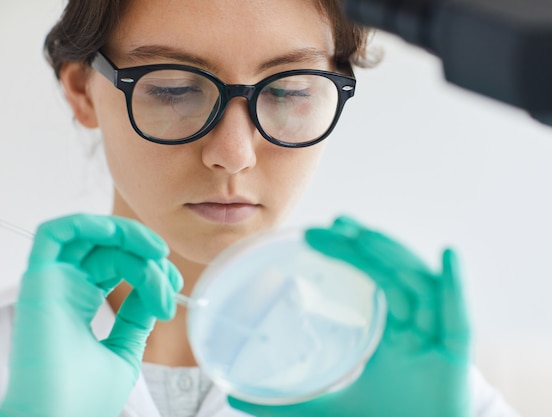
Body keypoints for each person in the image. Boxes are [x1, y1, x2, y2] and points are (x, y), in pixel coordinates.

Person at [0, 1, 520, 416]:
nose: (234, 154)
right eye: (176, 90)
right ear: (81, 90)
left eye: (290, 91)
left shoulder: (399, 380)